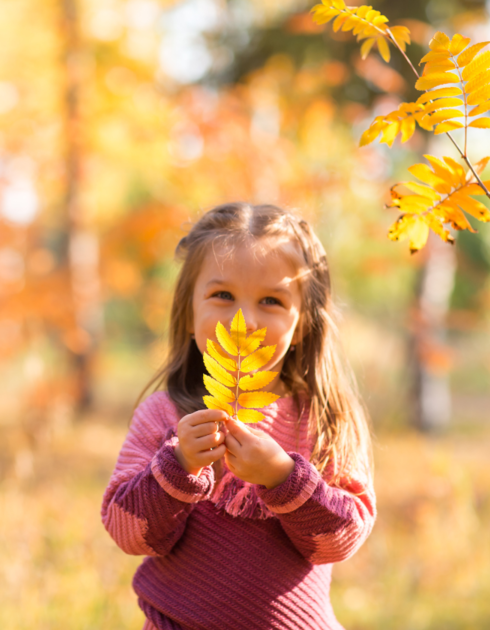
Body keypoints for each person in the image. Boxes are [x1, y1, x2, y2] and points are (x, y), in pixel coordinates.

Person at [101, 202, 376, 630]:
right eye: (222, 295)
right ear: (189, 313)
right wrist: (178, 467)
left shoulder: (324, 420)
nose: (243, 320)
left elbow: (340, 540)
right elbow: (127, 531)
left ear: (302, 323)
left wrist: (285, 478)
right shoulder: (163, 416)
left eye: (271, 300)